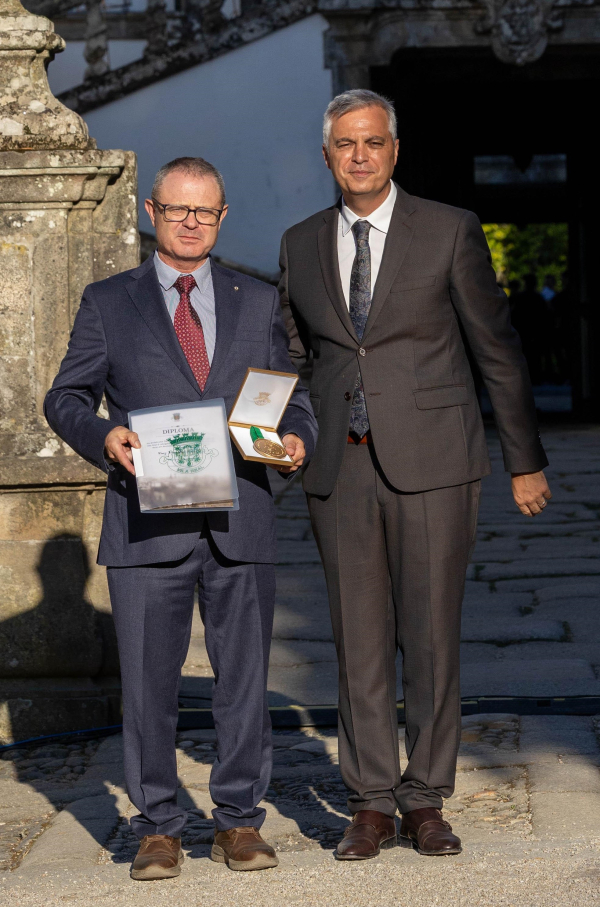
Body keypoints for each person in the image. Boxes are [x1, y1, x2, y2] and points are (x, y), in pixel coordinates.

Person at [278, 90, 551, 860]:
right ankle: (369, 800)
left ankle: (425, 795)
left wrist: (523, 459)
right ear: (326, 156)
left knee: (430, 635)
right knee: (356, 638)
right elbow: (292, 359)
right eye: (344, 145)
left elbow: (496, 349)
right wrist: (263, 438)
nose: (358, 155)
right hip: (340, 466)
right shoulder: (299, 243)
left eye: (372, 142)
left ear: (394, 150)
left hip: (435, 459)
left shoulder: (449, 229)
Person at [44, 157, 318, 881]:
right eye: (177, 210)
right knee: (148, 686)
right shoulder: (109, 301)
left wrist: (297, 440)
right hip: (147, 523)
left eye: (205, 211)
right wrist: (102, 435)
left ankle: (238, 821)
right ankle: (158, 825)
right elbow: (65, 397)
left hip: (242, 520)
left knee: (243, 681)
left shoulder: (258, 301)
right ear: (150, 211)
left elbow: (292, 399)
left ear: (223, 217)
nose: (192, 222)